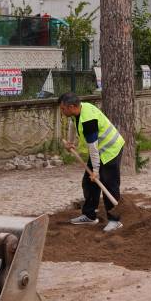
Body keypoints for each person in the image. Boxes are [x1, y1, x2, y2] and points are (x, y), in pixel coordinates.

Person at [59, 92, 124, 232]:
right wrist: (70, 142)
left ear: (71, 107)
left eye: (63, 109)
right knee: (88, 183)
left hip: (110, 150)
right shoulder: (79, 110)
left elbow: (93, 148)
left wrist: (95, 172)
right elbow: (73, 124)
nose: (62, 111)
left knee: (109, 184)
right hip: (99, 150)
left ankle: (115, 220)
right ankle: (89, 215)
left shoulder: (88, 121)